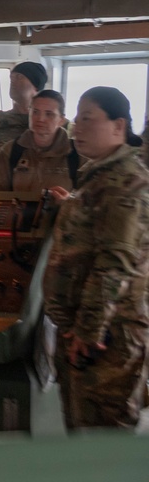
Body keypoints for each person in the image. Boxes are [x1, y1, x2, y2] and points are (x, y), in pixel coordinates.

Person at [44, 86, 149, 430]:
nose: (77, 128)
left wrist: (88, 334)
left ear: (118, 126)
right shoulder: (99, 176)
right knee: (80, 430)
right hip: (83, 330)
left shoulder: (126, 184)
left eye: (88, 119)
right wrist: (71, 205)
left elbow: (114, 264)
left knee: (104, 443)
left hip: (107, 337)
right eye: (76, 119)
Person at [0, 90, 85, 192]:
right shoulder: (11, 151)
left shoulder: (76, 154)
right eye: (35, 112)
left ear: (61, 120)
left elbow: (90, 200)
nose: (40, 119)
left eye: (49, 114)